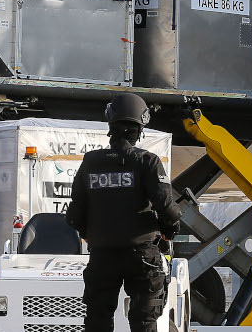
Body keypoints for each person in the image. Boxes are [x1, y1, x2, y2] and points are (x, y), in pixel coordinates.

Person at [66, 93, 182, 332]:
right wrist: (169, 229)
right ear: (140, 129)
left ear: (111, 126)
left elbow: (74, 215)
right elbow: (167, 208)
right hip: (141, 255)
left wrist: (95, 234)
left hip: (102, 256)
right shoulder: (147, 161)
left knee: (97, 320)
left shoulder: (90, 162)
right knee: (144, 322)